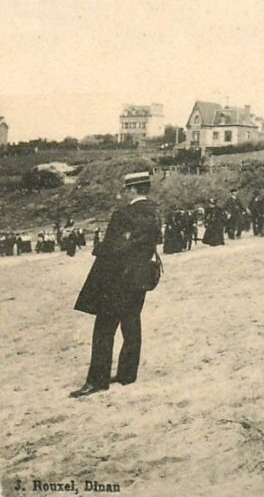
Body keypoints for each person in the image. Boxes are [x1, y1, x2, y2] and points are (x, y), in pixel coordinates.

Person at [70, 171, 162, 398]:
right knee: (131, 323)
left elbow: (113, 250)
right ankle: (127, 374)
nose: (125, 193)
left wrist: (99, 250)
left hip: (118, 279)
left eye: (127, 189)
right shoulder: (154, 212)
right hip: (140, 278)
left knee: (104, 329)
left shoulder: (123, 214)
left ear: (132, 190)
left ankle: (97, 380)